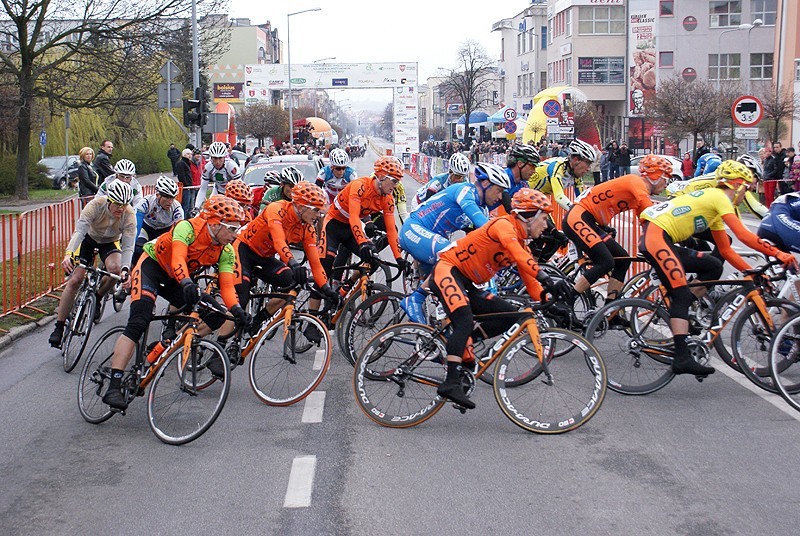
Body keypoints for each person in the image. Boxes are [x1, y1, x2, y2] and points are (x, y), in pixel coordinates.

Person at [639, 160, 797, 377]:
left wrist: (748, 272)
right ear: (738, 185)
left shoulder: (713, 205)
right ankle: (681, 358)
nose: (746, 194)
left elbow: (726, 250)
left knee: (712, 266)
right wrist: (778, 254)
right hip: (657, 237)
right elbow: (743, 235)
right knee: (682, 295)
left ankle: (682, 316)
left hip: (658, 236)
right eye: (747, 188)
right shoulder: (720, 197)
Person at [101, 195, 251, 410]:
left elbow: (227, 286)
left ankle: (166, 346)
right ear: (216, 224)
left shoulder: (226, 250)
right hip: (152, 268)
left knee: (217, 314)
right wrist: (188, 283)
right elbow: (178, 259)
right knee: (139, 321)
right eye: (232, 229)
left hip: (178, 279)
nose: (235, 235)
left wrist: (236, 310)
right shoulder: (187, 228)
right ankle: (114, 385)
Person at [429, 188, 555, 409]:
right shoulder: (504, 225)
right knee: (465, 320)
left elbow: (532, 285)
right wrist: (547, 277)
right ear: (529, 216)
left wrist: (552, 303)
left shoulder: (521, 242)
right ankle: (450, 383)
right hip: (448, 271)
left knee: (510, 315)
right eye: (543, 219)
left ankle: (459, 348)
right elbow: (518, 255)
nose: (545, 226)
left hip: (466, 283)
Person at [218, 183, 339, 356]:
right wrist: (293, 263)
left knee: (293, 284)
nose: (319, 216)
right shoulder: (277, 209)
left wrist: (327, 289)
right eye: (316, 210)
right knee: (241, 298)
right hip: (244, 250)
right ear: (302, 206)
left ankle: (258, 319)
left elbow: (316, 263)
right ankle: (220, 346)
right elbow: (278, 241)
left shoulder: (308, 228)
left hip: (264, 258)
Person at [399, 162, 508, 323]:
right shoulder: (465, 191)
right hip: (414, 229)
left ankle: (428, 337)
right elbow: (485, 227)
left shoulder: (482, 207)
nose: (500, 197)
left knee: (452, 283)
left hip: (431, 239)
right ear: (485, 184)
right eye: (499, 191)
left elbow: (477, 239)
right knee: (453, 257)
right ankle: (415, 299)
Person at [561, 154, 671, 314]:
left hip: (590, 221)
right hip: (578, 217)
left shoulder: (639, 189)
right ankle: (567, 300)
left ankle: (610, 310)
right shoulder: (636, 182)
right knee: (606, 262)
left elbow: (646, 222)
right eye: (665, 178)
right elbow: (650, 211)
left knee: (623, 259)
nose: (666, 184)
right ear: (655, 177)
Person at [48, 180, 137, 347]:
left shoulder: (129, 214)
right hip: (89, 239)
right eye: (117, 204)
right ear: (109, 200)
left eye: (124, 205)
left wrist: (126, 269)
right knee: (75, 280)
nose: (121, 209)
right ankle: (59, 327)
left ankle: (97, 297)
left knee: (116, 270)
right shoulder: (96, 205)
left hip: (110, 242)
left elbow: (128, 245)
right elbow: (79, 231)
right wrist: (68, 254)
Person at [317, 156, 407, 288]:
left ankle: (345, 289)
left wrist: (399, 258)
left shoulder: (388, 199)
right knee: (324, 271)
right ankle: (319, 303)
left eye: (398, 181)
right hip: (333, 224)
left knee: (374, 260)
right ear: (381, 176)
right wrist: (362, 242)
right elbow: (354, 216)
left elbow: (391, 230)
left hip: (349, 228)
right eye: (394, 180)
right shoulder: (360, 186)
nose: (396, 185)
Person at [528, 139, 596, 210]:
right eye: (588, 164)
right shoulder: (558, 166)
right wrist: (575, 212)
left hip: (535, 199)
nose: (589, 168)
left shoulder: (575, 175)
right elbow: (559, 197)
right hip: (523, 196)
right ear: (576, 160)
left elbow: (582, 200)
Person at [132, 176, 184, 267]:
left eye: (173, 198)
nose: (170, 202)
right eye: (167, 198)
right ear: (158, 195)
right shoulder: (146, 202)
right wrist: (133, 242)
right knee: (138, 250)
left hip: (164, 232)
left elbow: (179, 231)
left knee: (162, 255)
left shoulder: (177, 209)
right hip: (146, 228)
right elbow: (137, 224)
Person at [193, 141, 242, 211]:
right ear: (211, 157)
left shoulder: (231, 166)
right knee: (208, 211)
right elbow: (203, 190)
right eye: (215, 158)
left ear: (224, 157)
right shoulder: (208, 168)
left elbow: (239, 187)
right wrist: (196, 207)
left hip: (232, 194)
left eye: (220, 158)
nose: (218, 162)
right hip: (217, 191)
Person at [175, 148, 195, 216]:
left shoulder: (187, 163)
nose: (190, 155)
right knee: (185, 206)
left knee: (189, 205)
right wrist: (186, 185)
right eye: (188, 154)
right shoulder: (181, 163)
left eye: (190, 154)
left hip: (189, 186)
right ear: (184, 155)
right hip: (185, 187)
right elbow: (181, 176)